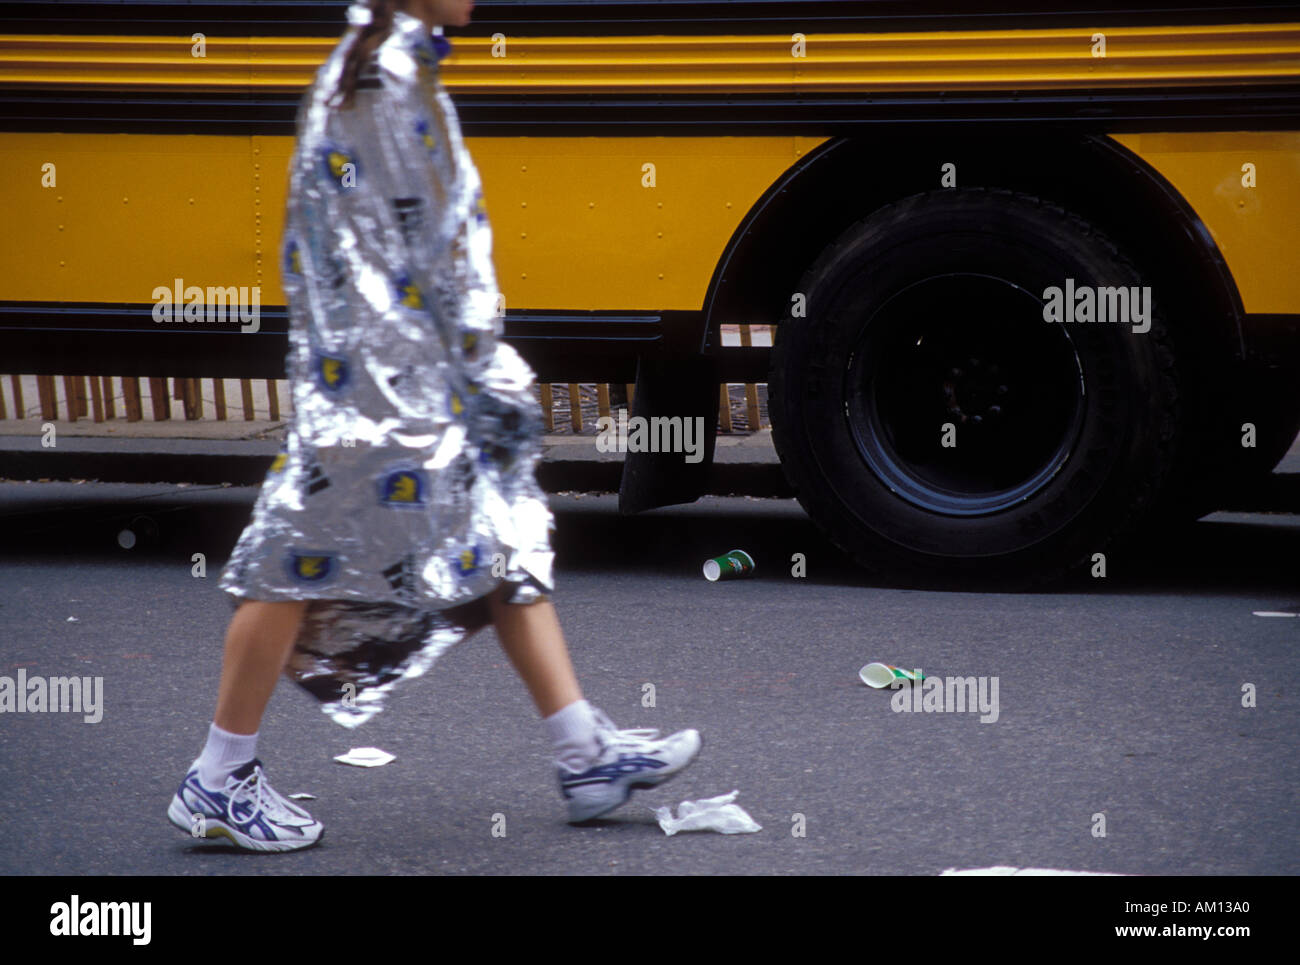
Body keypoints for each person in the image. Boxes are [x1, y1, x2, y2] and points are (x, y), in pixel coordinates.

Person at [167, 0, 701, 852]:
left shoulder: (381, 65)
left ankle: (583, 752)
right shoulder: (384, 77)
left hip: (390, 371)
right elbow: (418, 252)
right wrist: (466, 360)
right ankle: (219, 774)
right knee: (289, 555)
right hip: (386, 383)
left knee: (502, 531)